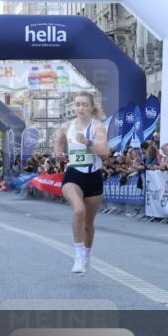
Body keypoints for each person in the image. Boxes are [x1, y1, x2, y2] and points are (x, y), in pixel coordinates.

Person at [54, 92, 109, 274]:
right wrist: (59, 154)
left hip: (93, 176)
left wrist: (87, 142)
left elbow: (104, 153)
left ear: (92, 107)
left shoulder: (97, 126)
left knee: (88, 224)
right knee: (78, 211)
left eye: (85, 105)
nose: (81, 108)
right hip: (73, 175)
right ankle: (77, 255)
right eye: (78, 105)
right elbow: (58, 143)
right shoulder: (66, 126)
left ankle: (86, 253)